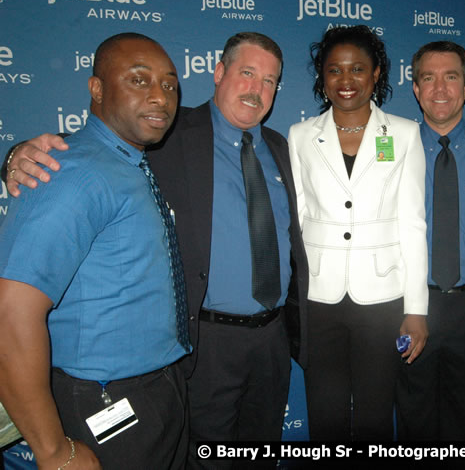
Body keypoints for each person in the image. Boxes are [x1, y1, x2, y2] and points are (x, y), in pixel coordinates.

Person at [2, 32, 308, 469]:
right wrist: (18, 155)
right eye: (246, 73)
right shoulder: (166, 130)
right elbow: (83, 153)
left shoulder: (283, 147)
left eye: (270, 80)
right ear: (218, 73)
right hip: (204, 344)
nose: (257, 89)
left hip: (268, 341)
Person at [0, 33, 189, 469]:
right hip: (105, 401)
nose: (159, 97)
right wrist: (53, 451)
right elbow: (10, 314)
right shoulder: (74, 173)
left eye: (169, 84)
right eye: (139, 80)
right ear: (97, 89)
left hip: (157, 387)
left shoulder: (128, 160)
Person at [287, 25, 428, 441]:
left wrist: (416, 309)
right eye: (334, 70)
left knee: (375, 415)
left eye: (357, 69)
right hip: (319, 298)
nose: (345, 80)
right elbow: (295, 222)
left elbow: (413, 224)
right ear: (322, 76)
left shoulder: (403, 135)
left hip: (382, 297)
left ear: (377, 74)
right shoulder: (300, 137)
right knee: (325, 413)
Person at [394, 41, 465, 458]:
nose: (439, 88)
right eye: (427, 78)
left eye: (450, 77)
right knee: (415, 420)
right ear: (415, 89)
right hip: (410, 305)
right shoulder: (392, 146)